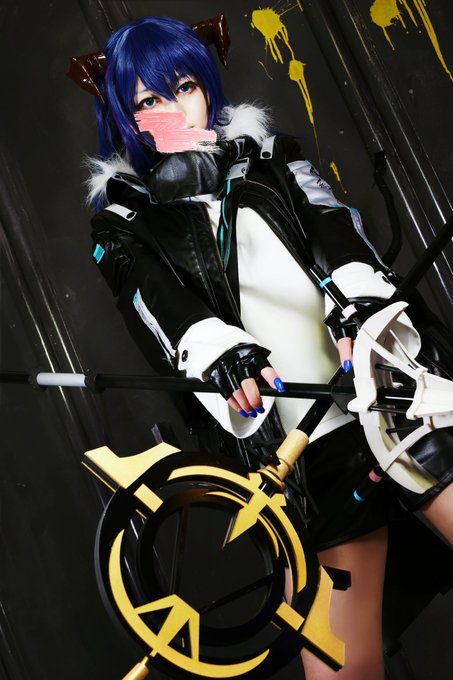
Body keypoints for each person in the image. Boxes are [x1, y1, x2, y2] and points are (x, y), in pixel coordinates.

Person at [70, 15, 453, 679]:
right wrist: (219, 352)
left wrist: (359, 303)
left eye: (183, 87)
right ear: (124, 118)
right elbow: (155, 303)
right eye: (147, 100)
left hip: (392, 397)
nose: (172, 110)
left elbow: (335, 228)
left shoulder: (275, 159)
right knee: (342, 664)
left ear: (207, 88)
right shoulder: (124, 223)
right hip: (303, 451)